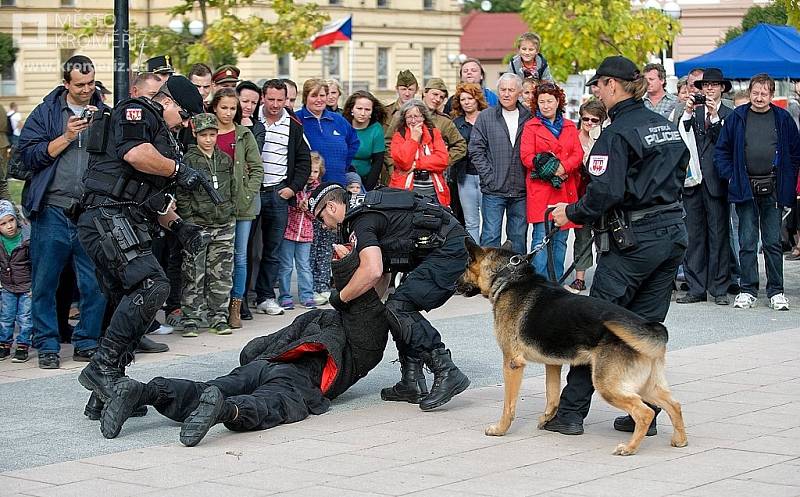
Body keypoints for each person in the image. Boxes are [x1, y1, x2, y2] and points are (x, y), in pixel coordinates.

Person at [97, 247, 390, 446]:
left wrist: (253, 360)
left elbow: (261, 344)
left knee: (208, 388)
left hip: (263, 363)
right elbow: (367, 313)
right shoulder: (367, 341)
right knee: (272, 404)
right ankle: (227, 411)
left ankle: (145, 391)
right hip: (299, 378)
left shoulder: (318, 317)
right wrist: (350, 267)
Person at [549, 55, 689, 436]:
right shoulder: (665, 126)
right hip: (671, 234)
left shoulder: (616, 133)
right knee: (644, 328)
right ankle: (645, 411)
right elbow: (683, 172)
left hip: (632, 243)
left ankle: (570, 413)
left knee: (594, 326)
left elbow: (603, 193)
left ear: (613, 85)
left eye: (598, 85)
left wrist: (570, 213)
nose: (596, 91)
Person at [76, 74, 208, 405]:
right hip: (106, 216)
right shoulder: (137, 111)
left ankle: (106, 392)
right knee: (152, 285)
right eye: (185, 115)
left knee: (133, 301)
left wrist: (180, 227)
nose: (186, 123)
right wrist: (179, 171)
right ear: (169, 102)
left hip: (127, 220)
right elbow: (135, 154)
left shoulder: (165, 135)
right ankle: (102, 369)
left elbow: (151, 197)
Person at [310, 182, 470, 411]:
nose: (323, 226)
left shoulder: (360, 221)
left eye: (320, 217)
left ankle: (446, 370)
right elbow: (382, 273)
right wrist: (366, 310)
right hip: (444, 248)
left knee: (399, 308)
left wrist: (341, 298)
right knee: (392, 309)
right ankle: (411, 381)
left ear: (332, 206)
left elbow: (372, 270)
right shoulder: (364, 211)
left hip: (450, 251)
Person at [16, 55, 107, 369]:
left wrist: (102, 129)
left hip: (91, 211)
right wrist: (66, 136)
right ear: (66, 83)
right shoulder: (46, 112)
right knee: (44, 282)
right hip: (52, 209)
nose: (86, 89)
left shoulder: (104, 113)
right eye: (79, 84)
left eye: (91, 83)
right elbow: (27, 156)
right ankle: (48, 345)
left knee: (94, 283)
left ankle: (87, 342)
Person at [714, 73, 800, 311]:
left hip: (773, 187)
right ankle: (747, 289)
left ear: (771, 95)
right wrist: (730, 176)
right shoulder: (737, 118)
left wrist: (789, 179)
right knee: (747, 241)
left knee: (773, 242)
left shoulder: (782, 118)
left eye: (764, 93)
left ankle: (776, 291)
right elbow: (721, 152)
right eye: (755, 92)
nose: (759, 97)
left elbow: (795, 153)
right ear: (750, 92)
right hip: (744, 187)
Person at [675, 68, 734, 306]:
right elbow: (682, 139)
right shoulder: (691, 113)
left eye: (713, 85)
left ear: (722, 88)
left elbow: (727, 144)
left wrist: (715, 117)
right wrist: (688, 112)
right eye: (705, 85)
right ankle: (696, 287)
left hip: (717, 182)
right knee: (695, 237)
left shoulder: (730, 115)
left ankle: (719, 288)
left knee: (719, 236)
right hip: (693, 183)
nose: (709, 88)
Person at [254, 79, 311, 316]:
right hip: (253, 193)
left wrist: (292, 188)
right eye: (271, 99)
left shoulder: (293, 125)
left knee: (272, 248)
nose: (276, 105)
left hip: (278, 193)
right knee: (246, 249)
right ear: (263, 98)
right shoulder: (250, 120)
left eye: (281, 100)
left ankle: (266, 296)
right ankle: (240, 298)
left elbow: (304, 161)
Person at [177, 114, 238, 337]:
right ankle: (191, 317)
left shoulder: (224, 160)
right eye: (204, 135)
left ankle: (218, 317)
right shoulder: (189, 160)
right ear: (195, 135)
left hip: (223, 223)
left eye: (213, 135)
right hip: (197, 225)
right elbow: (182, 193)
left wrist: (230, 210)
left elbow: (232, 186)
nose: (209, 139)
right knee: (194, 272)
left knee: (221, 273)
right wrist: (188, 218)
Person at [520, 82, 583, 280]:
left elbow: (577, 153)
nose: (546, 106)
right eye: (541, 102)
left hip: (565, 187)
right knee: (541, 237)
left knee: (562, 238)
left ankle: (556, 281)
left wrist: (564, 167)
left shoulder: (570, 126)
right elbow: (526, 156)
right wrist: (548, 168)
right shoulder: (531, 127)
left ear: (558, 102)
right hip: (542, 188)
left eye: (549, 101)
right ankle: (538, 282)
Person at [469, 73, 531, 255]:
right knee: (490, 236)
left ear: (519, 92)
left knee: (518, 237)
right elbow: (475, 149)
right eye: (502, 89)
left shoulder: (529, 117)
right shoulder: (486, 117)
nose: (506, 94)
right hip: (493, 190)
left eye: (511, 90)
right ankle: (487, 279)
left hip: (521, 189)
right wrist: (489, 176)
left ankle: (517, 278)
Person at [218, 85, 264, 328]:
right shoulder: (206, 131)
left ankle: (236, 305)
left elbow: (257, 169)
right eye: (223, 107)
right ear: (215, 107)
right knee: (217, 256)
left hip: (243, 204)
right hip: (214, 205)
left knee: (240, 255)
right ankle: (215, 305)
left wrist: (247, 194)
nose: (228, 112)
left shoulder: (244, 134)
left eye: (232, 108)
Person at [568, 99, 607, 292]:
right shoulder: (572, 137)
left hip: (600, 197)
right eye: (586, 119)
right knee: (581, 238)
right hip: (579, 195)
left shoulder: (605, 140)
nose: (590, 123)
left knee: (603, 238)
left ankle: (603, 276)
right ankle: (579, 278)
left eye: (595, 120)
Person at [277, 153, 321, 310]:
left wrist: (307, 209)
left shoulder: (317, 190)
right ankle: (285, 296)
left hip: (306, 234)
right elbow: (286, 206)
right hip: (289, 232)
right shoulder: (295, 186)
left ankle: (307, 296)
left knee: (304, 265)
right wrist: (297, 205)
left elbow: (316, 214)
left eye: (315, 171)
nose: (311, 175)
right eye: (309, 170)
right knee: (286, 266)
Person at [296, 78, 359, 186]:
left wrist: (343, 165)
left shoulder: (338, 120)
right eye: (314, 96)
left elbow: (354, 142)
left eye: (322, 95)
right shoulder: (297, 119)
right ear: (306, 97)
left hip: (337, 183)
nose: (319, 100)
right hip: (307, 186)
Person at [389, 100, 451, 205]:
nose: (413, 121)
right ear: (404, 119)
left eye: (417, 116)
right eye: (409, 117)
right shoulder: (399, 135)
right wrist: (413, 139)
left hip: (433, 192)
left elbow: (443, 160)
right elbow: (404, 163)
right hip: (406, 191)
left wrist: (416, 164)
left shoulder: (434, 133)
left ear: (423, 117)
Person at [450, 83, 489, 243]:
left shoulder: (488, 118)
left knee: (490, 222)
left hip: (485, 176)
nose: (466, 102)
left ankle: (488, 257)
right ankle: (475, 258)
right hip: (464, 176)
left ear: (477, 99)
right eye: (462, 99)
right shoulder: (457, 123)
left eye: (470, 98)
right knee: (471, 222)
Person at [0, 200, 33, 363]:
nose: (9, 226)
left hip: (26, 286)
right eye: (3, 223)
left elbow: (34, 263)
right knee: (6, 317)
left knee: (25, 318)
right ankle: (4, 344)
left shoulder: (26, 239)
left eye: (11, 220)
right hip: (7, 286)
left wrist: (34, 284)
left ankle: (23, 345)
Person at [342, 90, 386, 190]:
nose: (363, 113)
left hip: (366, 180)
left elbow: (378, 162)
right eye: (359, 108)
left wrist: (367, 189)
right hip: (342, 177)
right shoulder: (342, 125)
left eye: (367, 109)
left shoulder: (376, 129)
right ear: (352, 109)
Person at [236, 81, 266, 151]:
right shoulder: (224, 122)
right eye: (245, 101)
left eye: (254, 103)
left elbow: (255, 154)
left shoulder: (258, 128)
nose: (249, 107)